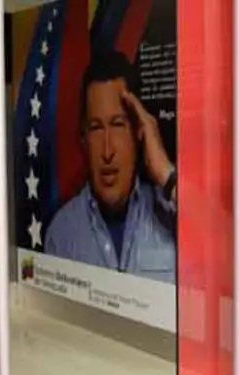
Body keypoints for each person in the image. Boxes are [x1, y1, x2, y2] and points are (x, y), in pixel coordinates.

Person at [45, 51, 177, 284]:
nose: (107, 151)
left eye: (118, 125)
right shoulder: (61, 233)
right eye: (96, 128)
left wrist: (167, 174)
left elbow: (230, 243)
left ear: (139, 131)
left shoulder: (173, 217)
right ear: (83, 139)